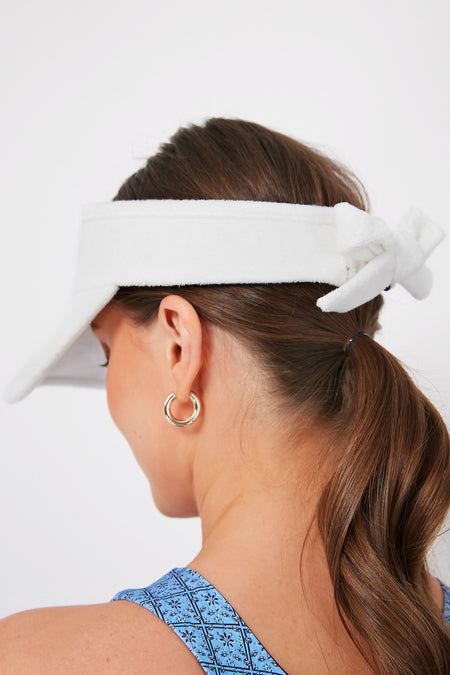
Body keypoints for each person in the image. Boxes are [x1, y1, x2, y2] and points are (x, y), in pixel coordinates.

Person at [1, 117, 449, 674]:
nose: (109, 390)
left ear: (178, 346)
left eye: (106, 354)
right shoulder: (431, 631)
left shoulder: (37, 660)